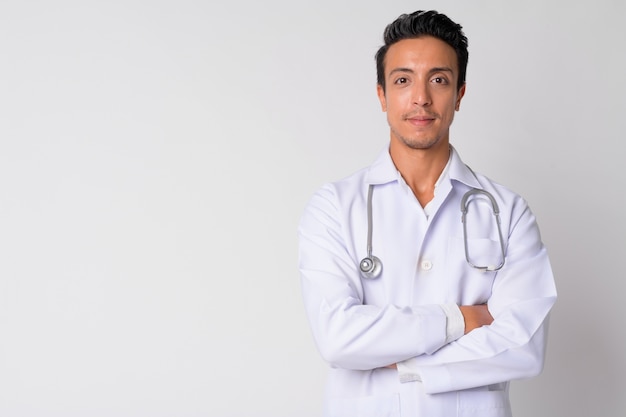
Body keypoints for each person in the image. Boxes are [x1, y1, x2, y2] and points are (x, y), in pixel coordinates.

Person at [297, 10, 557, 417]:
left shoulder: (507, 211)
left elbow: (524, 345)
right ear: (382, 95)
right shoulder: (334, 206)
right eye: (403, 80)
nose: (421, 97)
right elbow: (337, 338)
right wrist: (461, 319)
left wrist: (400, 362)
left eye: (439, 79)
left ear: (460, 93)